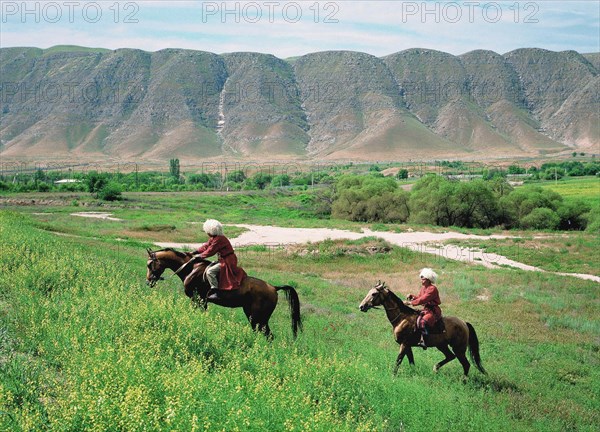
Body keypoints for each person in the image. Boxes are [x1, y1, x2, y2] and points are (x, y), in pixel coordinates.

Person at [192, 219, 246, 301]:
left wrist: (199, 256)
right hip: (224, 259)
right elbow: (206, 246)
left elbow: (211, 251)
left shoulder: (219, 239)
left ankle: (216, 292)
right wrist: (195, 252)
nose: (207, 233)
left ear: (211, 231)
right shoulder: (215, 238)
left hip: (228, 260)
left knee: (210, 272)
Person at [405, 268, 442, 350]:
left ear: (428, 279)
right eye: (421, 278)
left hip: (433, 311)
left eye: (423, 278)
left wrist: (410, 303)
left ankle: (425, 340)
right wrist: (412, 297)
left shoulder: (432, 289)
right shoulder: (423, 288)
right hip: (426, 310)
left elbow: (423, 299)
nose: (421, 279)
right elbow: (419, 298)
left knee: (423, 321)